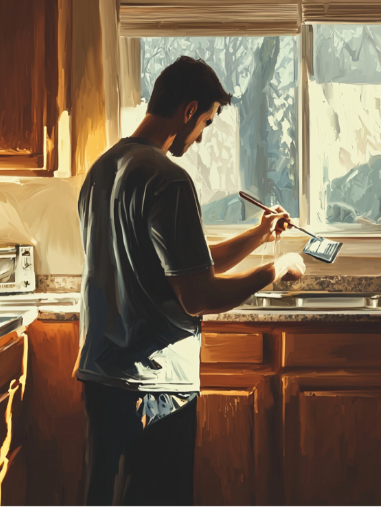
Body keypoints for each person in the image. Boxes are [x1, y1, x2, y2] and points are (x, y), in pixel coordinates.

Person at [76, 56, 306, 507]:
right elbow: (198, 295)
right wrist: (275, 269)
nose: (200, 137)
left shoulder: (102, 172)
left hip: (101, 378)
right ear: (188, 110)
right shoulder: (169, 180)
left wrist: (259, 235)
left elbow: (184, 264)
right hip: (155, 386)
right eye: (205, 122)